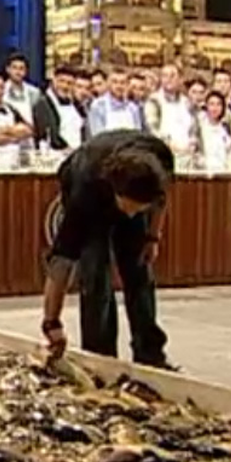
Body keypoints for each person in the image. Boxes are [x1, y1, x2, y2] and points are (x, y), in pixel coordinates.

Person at [40, 130, 176, 370]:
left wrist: (152, 237)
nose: (131, 215)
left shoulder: (160, 158)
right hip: (83, 176)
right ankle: (100, 359)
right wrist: (52, 323)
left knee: (139, 271)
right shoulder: (84, 195)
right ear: (115, 193)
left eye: (139, 209)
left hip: (127, 186)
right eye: (129, 208)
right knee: (95, 277)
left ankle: (150, 354)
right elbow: (61, 261)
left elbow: (161, 199)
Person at [145, 64, 198, 153]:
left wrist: (193, 143)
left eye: (172, 76)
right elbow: (152, 129)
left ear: (180, 79)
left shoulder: (186, 102)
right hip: (164, 152)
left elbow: (194, 128)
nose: (168, 79)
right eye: (165, 76)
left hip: (187, 153)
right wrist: (170, 145)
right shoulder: (154, 101)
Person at [33, 66, 86, 150]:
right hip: (55, 153)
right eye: (61, 81)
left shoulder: (75, 104)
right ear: (53, 80)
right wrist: (68, 149)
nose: (65, 86)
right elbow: (49, 134)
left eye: (69, 83)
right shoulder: (43, 104)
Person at [87, 70, 146, 135]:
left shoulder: (133, 108)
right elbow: (97, 134)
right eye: (115, 82)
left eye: (122, 83)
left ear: (127, 85)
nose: (119, 86)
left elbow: (137, 133)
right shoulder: (98, 105)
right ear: (108, 83)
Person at [197, 91, 231, 171]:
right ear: (206, 106)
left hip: (223, 170)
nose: (215, 108)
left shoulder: (225, 128)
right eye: (212, 104)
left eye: (218, 104)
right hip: (204, 170)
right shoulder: (200, 127)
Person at [2, 52, 42, 124]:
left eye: (21, 68)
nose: (18, 72)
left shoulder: (34, 92)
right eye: (14, 68)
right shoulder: (1, 90)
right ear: (7, 69)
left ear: (26, 71)